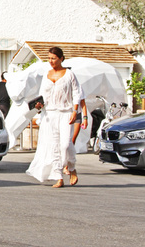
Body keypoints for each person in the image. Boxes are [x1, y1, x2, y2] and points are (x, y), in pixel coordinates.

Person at [26, 47, 83, 188]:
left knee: (65, 144)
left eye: (54, 58)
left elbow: (77, 94)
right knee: (54, 147)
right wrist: (38, 105)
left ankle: (71, 167)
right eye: (49, 58)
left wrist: (76, 111)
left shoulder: (70, 74)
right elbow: (42, 95)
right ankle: (59, 177)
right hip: (49, 114)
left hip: (65, 113)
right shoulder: (46, 75)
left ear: (61, 58)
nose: (51, 61)